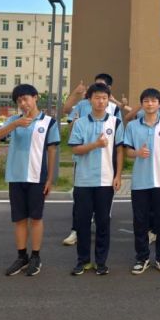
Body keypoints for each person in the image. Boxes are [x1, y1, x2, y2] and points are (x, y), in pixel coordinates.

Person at [0, 84, 60, 277]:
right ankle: (22, 256)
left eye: (26, 98)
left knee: (36, 218)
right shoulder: (13, 120)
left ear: (35, 97)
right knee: (19, 219)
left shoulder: (49, 122)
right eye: (19, 101)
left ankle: (35, 257)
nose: (23, 103)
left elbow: (52, 151)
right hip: (16, 176)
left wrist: (50, 179)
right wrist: (15, 124)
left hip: (37, 178)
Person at [63, 73, 128, 247]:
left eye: (104, 96)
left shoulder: (114, 112)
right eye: (96, 96)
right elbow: (67, 114)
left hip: (106, 172)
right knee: (81, 211)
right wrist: (76, 94)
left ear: (109, 93)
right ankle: (76, 232)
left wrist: (118, 174)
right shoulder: (81, 107)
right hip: (83, 169)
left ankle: (101, 256)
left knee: (103, 217)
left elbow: (119, 147)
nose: (100, 101)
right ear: (90, 97)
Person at [124, 88, 160, 275]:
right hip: (139, 182)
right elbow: (127, 150)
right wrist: (137, 153)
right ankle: (142, 258)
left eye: (153, 101)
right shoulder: (132, 126)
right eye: (146, 101)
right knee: (140, 222)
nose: (150, 104)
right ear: (141, 104)